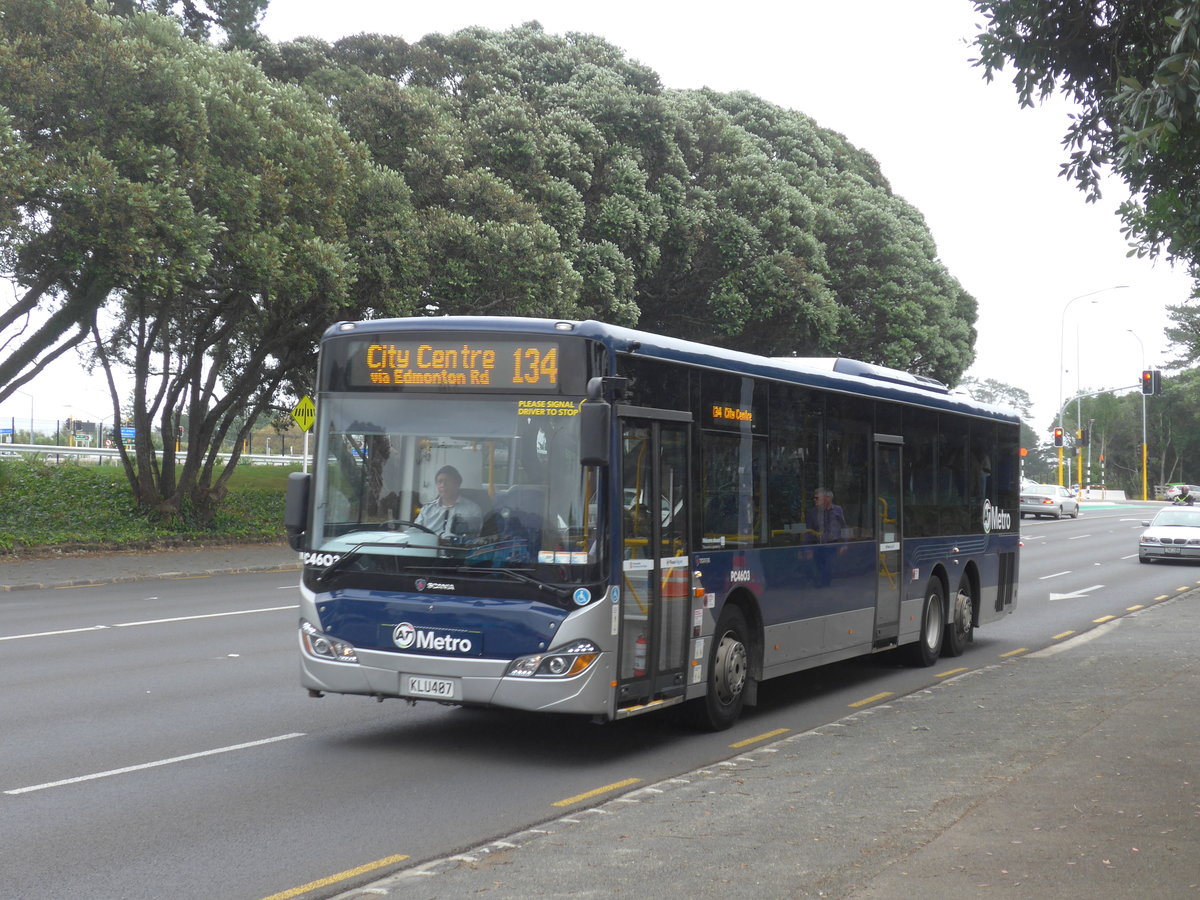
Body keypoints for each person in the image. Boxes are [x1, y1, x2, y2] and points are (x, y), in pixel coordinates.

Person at [415, 465, 482, 539]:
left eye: (447, 481)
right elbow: (414, 531)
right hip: (429, 548)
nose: (443, 485)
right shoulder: (427, 509)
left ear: (457, 484)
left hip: (456, 549)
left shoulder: (472, 509)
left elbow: (473, 539)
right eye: (439, 482)